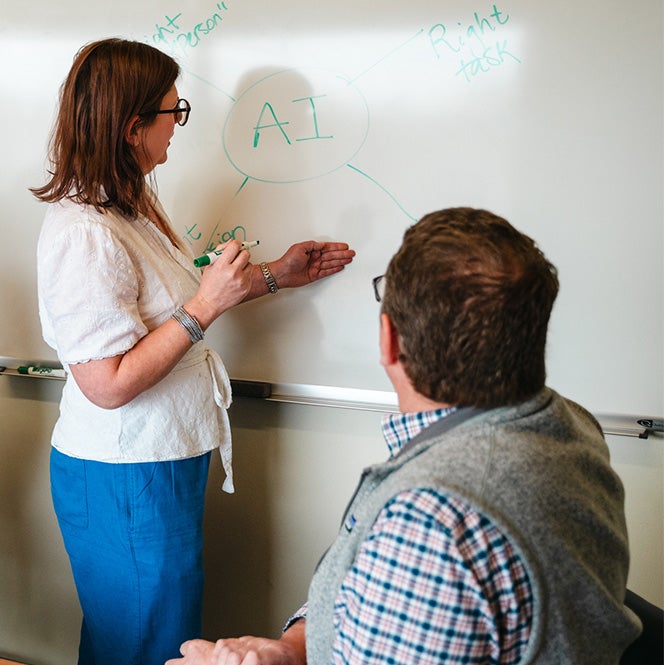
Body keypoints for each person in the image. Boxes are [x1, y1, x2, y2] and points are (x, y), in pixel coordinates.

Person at [167, 207, 642, 665]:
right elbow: (385, 598)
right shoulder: (569, 426)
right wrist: (293, 648)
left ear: (388, 340)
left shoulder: (432, 520)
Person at [30, 38, 355, 665]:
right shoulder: (84, 233)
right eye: (172, 115)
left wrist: (276, 275)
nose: (178, 127)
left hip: (158, 462)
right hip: (123, 475)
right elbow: (107, 382)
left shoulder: (133, 206)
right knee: (145, 644)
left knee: (145, 634)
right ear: (131, 128)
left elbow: (177, 299)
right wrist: (204, 306)